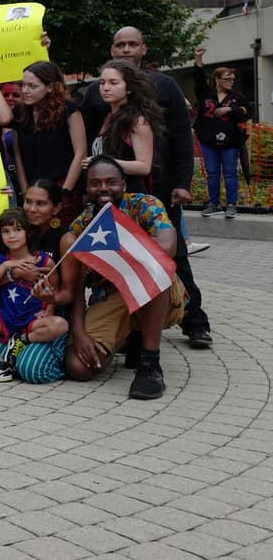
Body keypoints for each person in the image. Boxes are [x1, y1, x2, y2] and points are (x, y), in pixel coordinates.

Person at [82, 26, 211, 346]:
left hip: (156, 187)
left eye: (132, 44)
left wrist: (182, 182)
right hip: (111, 193)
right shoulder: (99, 95)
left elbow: (182, 136)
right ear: (112, 50)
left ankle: (194, 319)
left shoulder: (165, 86)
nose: (126, 49)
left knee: (173, 253)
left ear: (144, 49)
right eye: (120, 44)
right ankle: (130, 326)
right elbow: (91, 139)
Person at [54, 156, 185, 400]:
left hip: (153, 288)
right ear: (87, 189)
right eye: (95, 183)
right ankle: (127, 336)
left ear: (124, 185)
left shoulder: (145, 204)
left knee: (154, 269)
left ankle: (150, 362)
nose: (103, 188)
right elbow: (76, 288)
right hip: (111, 297)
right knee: (78, 367)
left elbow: (167, 247)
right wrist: (79, 333)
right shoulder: (80, 228)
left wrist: (121, 248)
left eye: (111, 182)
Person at [0, 208, 67, 384]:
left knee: (60, 325)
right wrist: (8, 265)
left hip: (32, 321)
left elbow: (55, 291)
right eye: (6, 231)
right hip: (6, 318)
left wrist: (49, 311)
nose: (11, 236)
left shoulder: (44, 261)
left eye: (17, 230)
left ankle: (22, 340)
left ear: (28, 232)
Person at [81, 59, 161, 195]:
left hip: (129, 195)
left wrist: (102, 161)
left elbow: (144, 166)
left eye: (113, 83)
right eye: (102, 82)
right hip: (106, 194)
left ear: (129, 88)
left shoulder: (138, 120)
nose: (105, 88)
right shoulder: (108, 117)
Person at [192, 46, 252, 218]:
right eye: (226, 79)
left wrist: (229, 110)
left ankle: (231, 205)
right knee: (212, 173)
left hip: (231, 141)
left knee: (230, 172)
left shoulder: (237, 97)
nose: (230, 82)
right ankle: (214, 204)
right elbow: (198, 78)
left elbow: (247, 111)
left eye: (232, 79)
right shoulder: (205, 93)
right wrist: (198, 58)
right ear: (216, 79)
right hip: (208, 140)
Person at [12, 61, 84, 201]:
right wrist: (25, 192)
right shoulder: (19, 113)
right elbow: (18, 156)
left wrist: (65, 191)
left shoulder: (68, 109)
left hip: (62, 188)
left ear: (50, 87)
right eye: (23, 85)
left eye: (32, 86)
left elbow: (80, 153)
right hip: (32, 191)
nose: (25, 90)